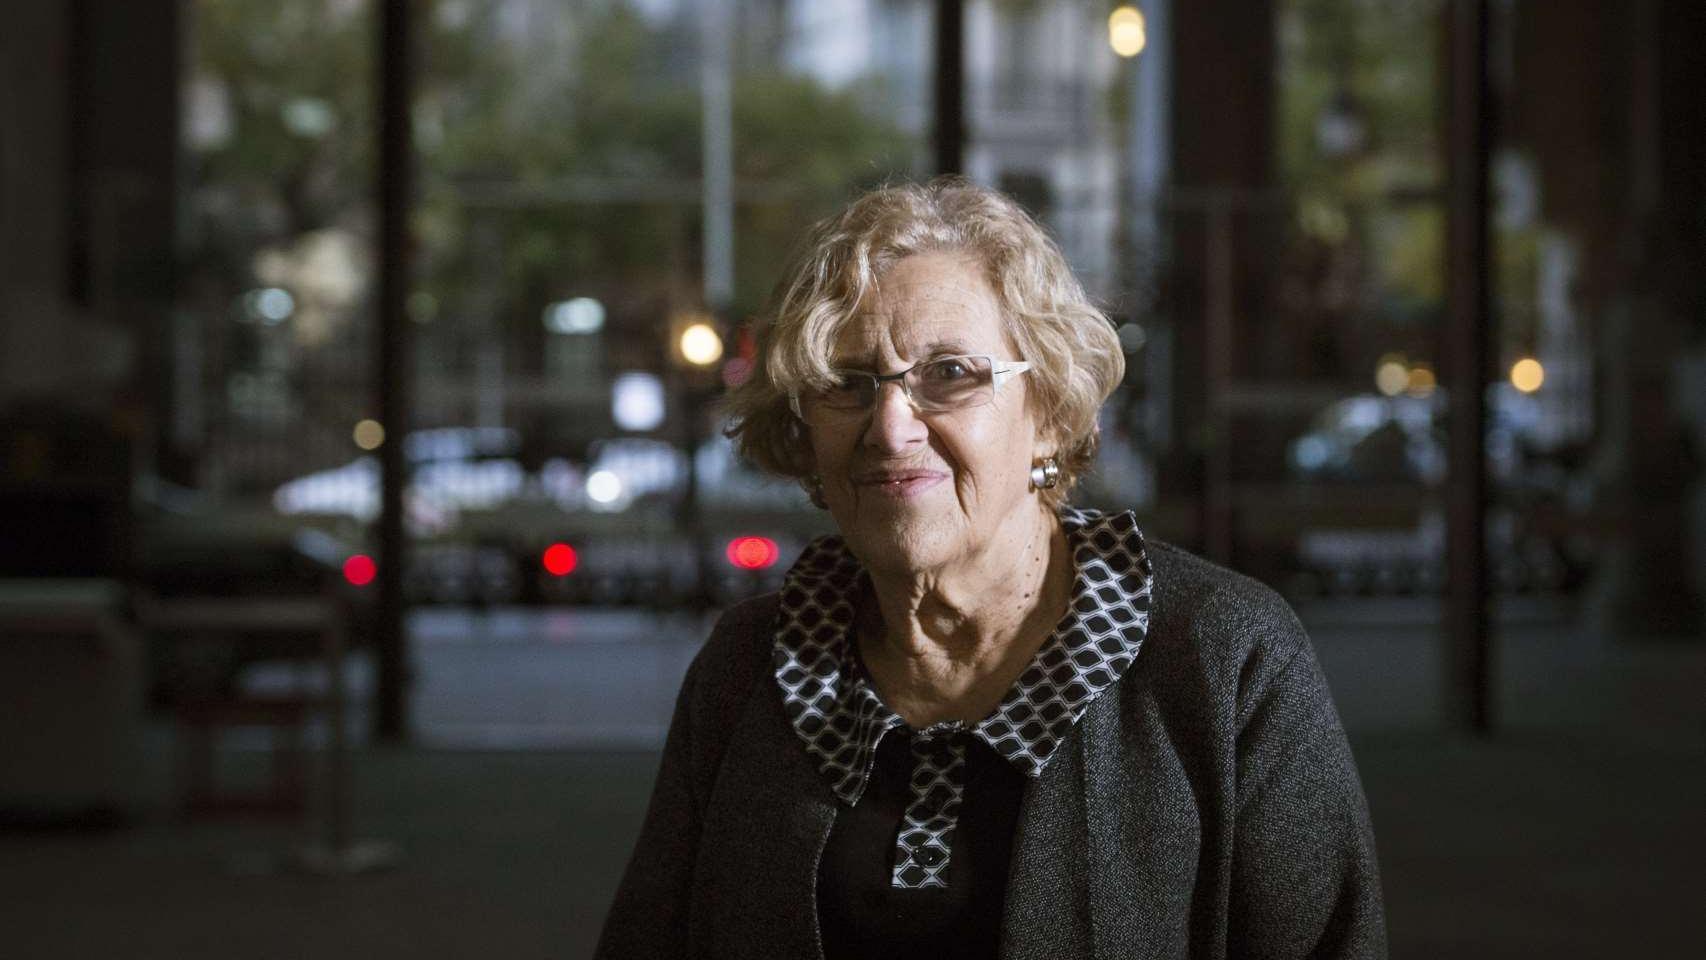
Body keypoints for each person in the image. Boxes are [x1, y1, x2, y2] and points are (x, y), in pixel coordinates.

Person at [595, 179, 1386, 959]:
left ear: (1049, 412)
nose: (892, 426)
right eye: (847, 383)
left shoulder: (1222, 659)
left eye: (951, 374)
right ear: (805, 429)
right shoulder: (748, 669)